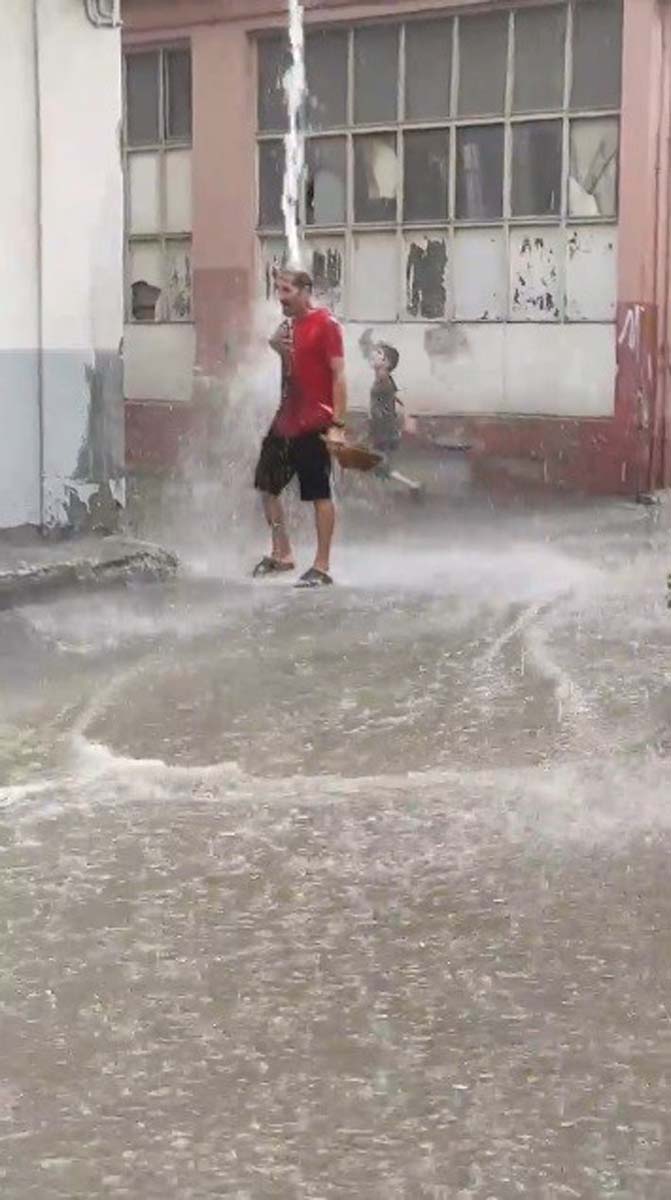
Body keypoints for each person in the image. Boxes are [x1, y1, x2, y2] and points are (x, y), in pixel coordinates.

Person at [253, 269, 347, 588]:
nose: (280, 296)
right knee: (267, 485)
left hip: (316, 422)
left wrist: (337, 425)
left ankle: (322, 566)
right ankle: (283, 553)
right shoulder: (288, 328)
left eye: (287, 290)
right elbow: (292, 376)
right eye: (277, 289)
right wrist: (280, 350)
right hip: (286, 420)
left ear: (305, 291)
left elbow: (338, 376)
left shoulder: (327, 325)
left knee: (319, 493)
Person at [367, 341, 422, 495]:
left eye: (378, 353)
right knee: (377, 464)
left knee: (378, 465)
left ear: (386, 362)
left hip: (383, 429)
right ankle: (403, 487)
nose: (372, 354)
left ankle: (412, 485)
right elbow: (395, 396)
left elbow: (396, 396)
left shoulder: (383, 378)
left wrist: (408, 417)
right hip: (382, 427)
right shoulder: (384, 378)